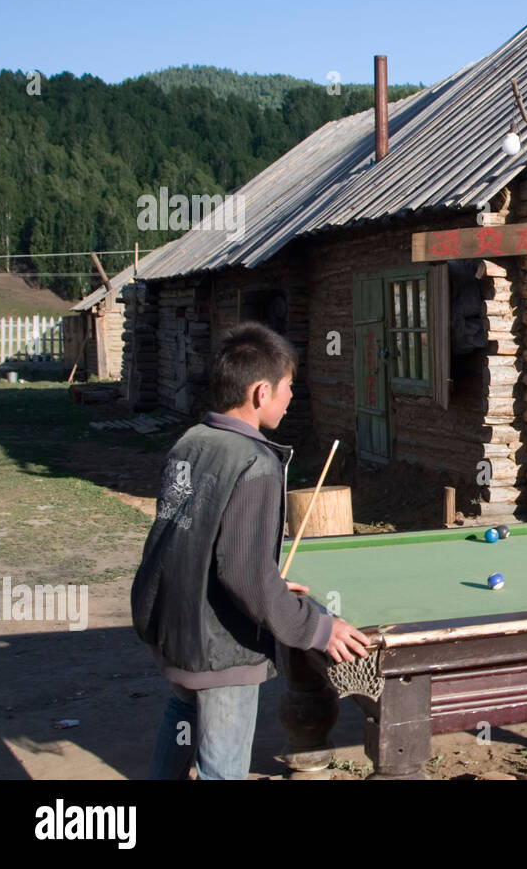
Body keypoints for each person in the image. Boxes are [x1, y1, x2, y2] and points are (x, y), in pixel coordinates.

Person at [132, 322, 370, 779]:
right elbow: (243, 577)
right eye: (288, 388)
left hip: (175, 625)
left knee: (181, 717)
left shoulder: (192, 442)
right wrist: (317, 628)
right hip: (221, 644)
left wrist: (270, 583)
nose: (291, 398)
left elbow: (195, 539)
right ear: (261, 392)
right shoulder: (255, 464)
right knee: (222, 766)